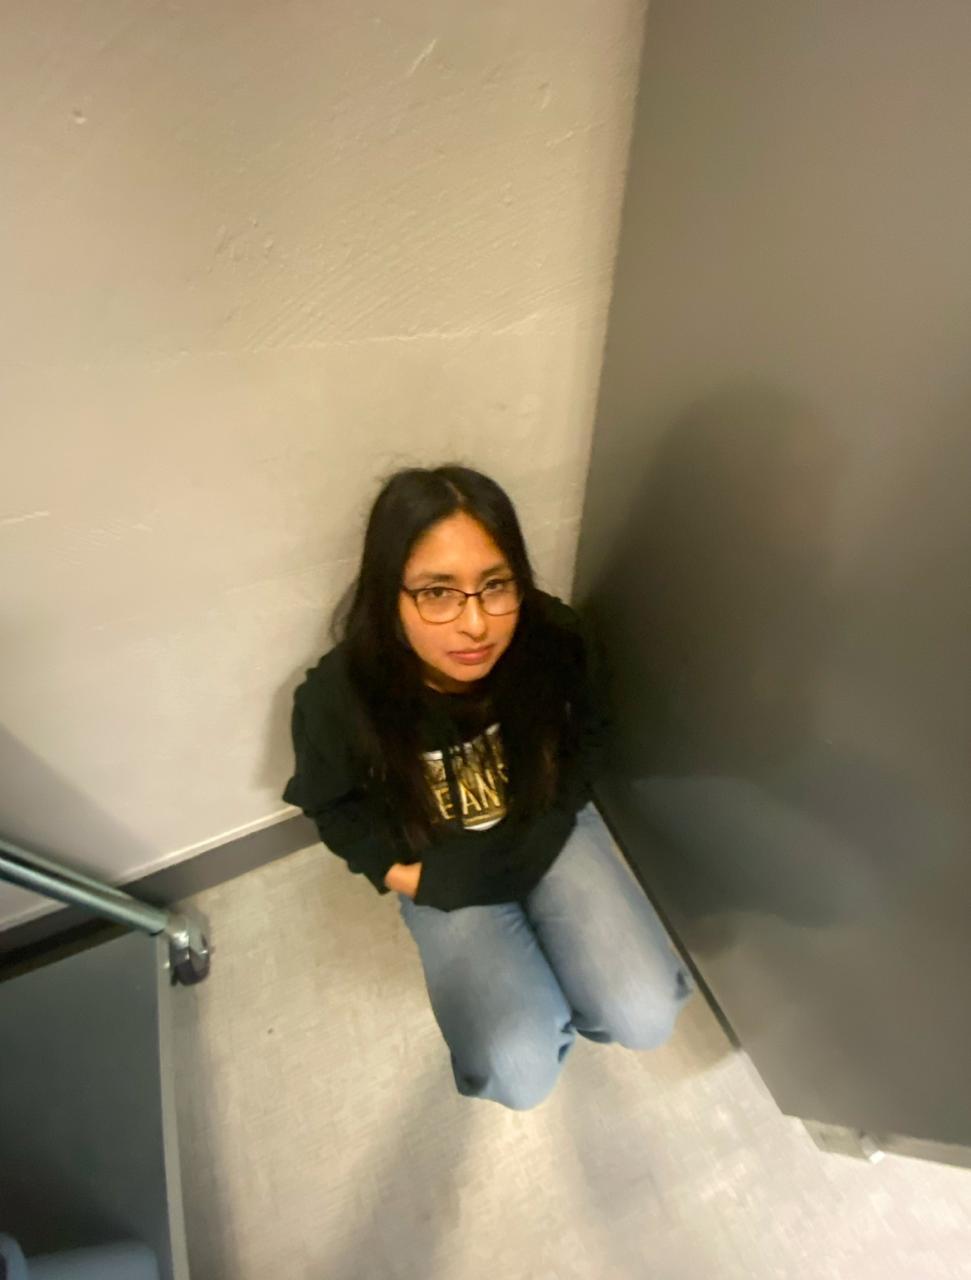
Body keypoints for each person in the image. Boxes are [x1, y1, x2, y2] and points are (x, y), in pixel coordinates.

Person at [283, 465, 692, 1109]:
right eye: (437, 592)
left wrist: (561, 813)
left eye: (496, 585)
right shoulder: (338, 697)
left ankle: (571, 990)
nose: (476, 624)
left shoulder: (551, 638)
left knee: (645, 1013)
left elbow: (591, 732)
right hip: (442, 863)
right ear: (388, 594)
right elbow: (334, 810)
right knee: (517, 1068)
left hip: (547, 826)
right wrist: (412, 879)